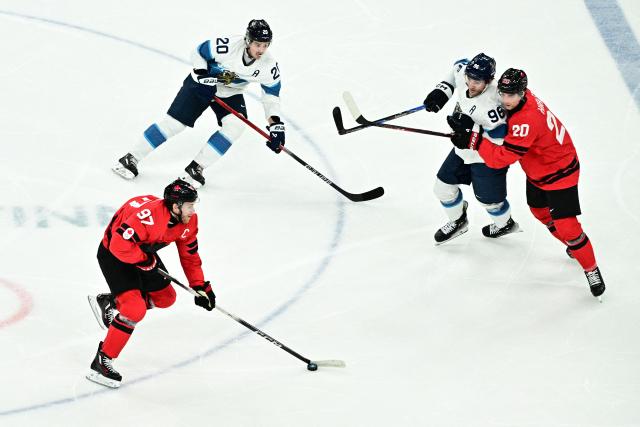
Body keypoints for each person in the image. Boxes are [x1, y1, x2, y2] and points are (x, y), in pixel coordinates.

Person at [447, 68, 605, 299]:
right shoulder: (522, 99)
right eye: (503, 93)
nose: (505, 99)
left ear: (522, 92)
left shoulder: (526, 120)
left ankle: (591, 268)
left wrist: (474, 141)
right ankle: (575, 247)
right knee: (539, 211)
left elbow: (502, 158)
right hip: (539, 171)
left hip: (560, 173)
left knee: (568, 227)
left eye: (511, 95)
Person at [112, 19, 284, 187]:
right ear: (248, 40)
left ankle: (195, 169)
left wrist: (276, 126)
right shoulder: (228, 46)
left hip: (229, 91)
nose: (261, 49)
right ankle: (130, 158)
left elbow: (271, 96)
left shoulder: (268, 65)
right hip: (201, 84)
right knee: (174, 124)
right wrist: (202, 75)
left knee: (235, 125)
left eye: (265, 45)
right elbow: (199, 52)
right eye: (257, 44)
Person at [86, 179, 217, 388]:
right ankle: (102, 360)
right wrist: (144, 261)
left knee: (166, 298)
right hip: (114, 254)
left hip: (143, 252)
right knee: (134, 309)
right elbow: (119, 245)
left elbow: (190, 256)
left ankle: (110, 302)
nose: (193, 210)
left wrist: (200, 286)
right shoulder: (148, 217)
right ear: (175, 206)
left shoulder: (188, 222)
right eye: (190, 205)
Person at [422, 53, 519, 245]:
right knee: (442, 188)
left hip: (485, 158)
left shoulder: (493, 105)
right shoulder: (465, 75)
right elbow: (457, 67)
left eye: (477, 81)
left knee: (490, 202)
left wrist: (472, 132)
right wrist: (442, 91)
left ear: (489, 81)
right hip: (462, 150)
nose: (471, 84)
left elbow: (501, 139)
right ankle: (458, 221)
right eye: (469, 78)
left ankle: (505, 224)